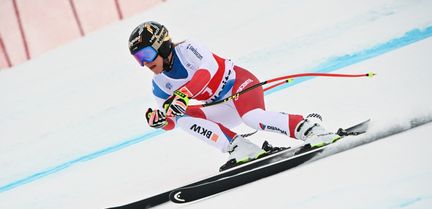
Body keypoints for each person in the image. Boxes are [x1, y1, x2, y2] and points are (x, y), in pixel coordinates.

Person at [128, 21, 340, 168]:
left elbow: (207, 71)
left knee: (252, 118)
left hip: (239, 85)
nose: (145, 63)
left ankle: (312, 130)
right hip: (220, 106)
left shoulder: (188, 48)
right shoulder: (159, 85)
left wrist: (183, 95)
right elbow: (172, 122)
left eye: (146, 54)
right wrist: (161, 121)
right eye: (139, 59)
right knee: (179, 116)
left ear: (162, 45)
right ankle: (241, 148)